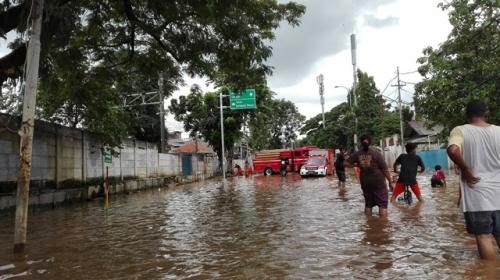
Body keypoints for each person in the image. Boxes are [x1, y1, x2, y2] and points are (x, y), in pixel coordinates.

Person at [447, 100, 500, 260]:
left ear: (467, 115)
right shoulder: (499, 131)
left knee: (484, 236)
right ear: (486, 114)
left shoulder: (460, 130)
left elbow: (453, 150)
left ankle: (490, 273)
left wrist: (465, 169)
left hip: (477, 195)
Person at [345, 135, 394, 217]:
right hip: (378, 183)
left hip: (365, 182)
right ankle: (382, 225)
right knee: (382, 205)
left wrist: (356, 165)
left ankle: (368, 223)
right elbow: (385, 169)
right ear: (370, 142)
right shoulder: (376, 154)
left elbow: (345, 163)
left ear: (361, 143)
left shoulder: (357, 154)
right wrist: (390, 182)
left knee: (368, 204)